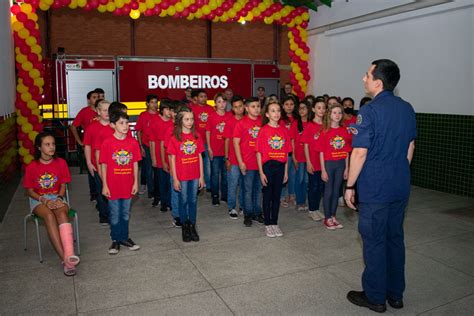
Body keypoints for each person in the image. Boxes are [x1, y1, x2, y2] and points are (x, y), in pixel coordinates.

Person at [345, 59, 416, 313]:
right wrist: (397, 173)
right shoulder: (407, 108)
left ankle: (375, 296)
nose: (363, 78)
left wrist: (350, 185)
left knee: (374, 241)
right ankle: (395, 294)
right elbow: (410, 148)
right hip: (399, 184)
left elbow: (359, 153)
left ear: (377, 82)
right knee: (394, 238)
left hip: (375, 188)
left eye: (367, 74)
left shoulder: (370, 111)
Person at [24, 132, 79, 276]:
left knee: (61, 212)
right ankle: (66, 260)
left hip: (57, 196)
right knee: (48, 216)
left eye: (53, 144)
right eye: (47, 144)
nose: (51, 147)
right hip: (38, 199)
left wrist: (59, 198)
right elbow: (30, 191)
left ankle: (69, 252)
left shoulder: (61, 163)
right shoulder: (31, 167)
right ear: (39, 148)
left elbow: (62, 185)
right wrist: (45, 200)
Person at [100, 110, 142, 255]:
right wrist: (104, 184)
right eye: (121, 123)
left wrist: (136, 182)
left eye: (126, 123)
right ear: (112, 125)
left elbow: (135, 164)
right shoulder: (107, 143)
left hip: (128, 185)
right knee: (115, 213)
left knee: (125, 213)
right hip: (112, 185)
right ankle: (115, 239)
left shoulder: (132, 142)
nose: (125, 126)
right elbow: (104, 165)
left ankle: (124, 237)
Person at [168, 106, 205, 242]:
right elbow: (172, 159)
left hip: (194, 175)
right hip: (181, 176)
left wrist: (201, 176)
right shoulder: (175, 138)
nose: (190, 122)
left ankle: (192, 225)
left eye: (191, 119)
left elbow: (200, 156)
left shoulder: (196, 136)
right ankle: (185, 225)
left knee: (193, 201)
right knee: (183, 201)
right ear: (180, 121)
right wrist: (175, 178)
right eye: (187, 119)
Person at [256, 102, 290, 238]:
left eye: (278, 111)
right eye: (273, 111)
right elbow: (258, 152)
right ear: (267, 114)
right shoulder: (263, 130)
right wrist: (261, 172)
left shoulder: (284, 130)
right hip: (268, 167)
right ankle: (268, 224)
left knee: (276, 196)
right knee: (268, 195)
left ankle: (275, 222)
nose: (276, 113)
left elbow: (287, 153)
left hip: (280, 167)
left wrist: (286, 171)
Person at [317, 103, 352, 230]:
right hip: (329, 164)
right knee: (329, 190)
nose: (337, 115)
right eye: (334, 112)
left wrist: (347, 168)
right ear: (329, 114)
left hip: (341, 164)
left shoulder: (344, 130)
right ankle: (327, 217)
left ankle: (333, 216)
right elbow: (321, 152)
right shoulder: (324, 131)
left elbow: (347, 151)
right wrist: (323, 170)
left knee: (337, 191)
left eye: (340, 113)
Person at [233, 97, 264, 227]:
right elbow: (235, 143)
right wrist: (241, 162)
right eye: (253, 106)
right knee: (247, 190)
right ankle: (248, 214)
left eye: (258, 106)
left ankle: (257, 212)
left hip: (261, 163)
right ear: (246, 108)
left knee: (258, 189)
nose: (256, 109)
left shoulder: (263, 122)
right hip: (248, 162)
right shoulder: (241, 123)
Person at [83, 99, 111, 225]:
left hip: (113, 166)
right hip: (97, 165)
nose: (107, 113)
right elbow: (87, 145)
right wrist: (89, 163)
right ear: (98, 112)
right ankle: (103, 215)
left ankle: (112, 213)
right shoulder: (92, 127)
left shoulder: (114, 126)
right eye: (104, 110)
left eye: (109, 110)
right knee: (101, 191)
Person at [70, 90, 99, 202]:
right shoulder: (84, 112)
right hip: (90, 146)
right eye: (94, 97)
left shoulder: (103, 111)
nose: (96, 99)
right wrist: (80, 141)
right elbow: (73, 126)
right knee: (92, 169)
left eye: (98, 97)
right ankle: (94, 193)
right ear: (89, 100)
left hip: (102, 146)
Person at [302, 98, 326, 221]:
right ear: (313, 109)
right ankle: (312, 210)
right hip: (313, 161)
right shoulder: (310, 126)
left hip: (323, 163)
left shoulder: (326, 126)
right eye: (318, 107)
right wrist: (308, 162)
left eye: (323, 107)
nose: (321, 110)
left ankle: (316, 208)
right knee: (313, 186)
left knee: (321, 186)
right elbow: (306, 145)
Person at [206, 93, 232, 206]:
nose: (222, 104)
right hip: (215, 151)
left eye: (224, 101)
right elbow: (208, 132)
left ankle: (224, 195)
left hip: (226, 151)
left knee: (226, 175)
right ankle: (215, 195)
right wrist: (209, 148)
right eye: (219, 101)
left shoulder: (230, 116)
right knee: (215, 175)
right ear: (215, 103)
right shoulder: (211, 116)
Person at [149, 99, 174, 211]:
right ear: (162, 110)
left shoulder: (173, 123)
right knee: (162, 181)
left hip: (171, 157)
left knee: (171, 181)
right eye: (167, 109)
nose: (169, 112)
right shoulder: (156, 122)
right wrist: (154, 158)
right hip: (160, 157)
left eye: (171, 109)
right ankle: (163, 202)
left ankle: (170, 201)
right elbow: (152, 141)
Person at [224, 95, 245, 219]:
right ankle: (231, 207)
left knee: (244, 185)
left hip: (246, 159)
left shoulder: (248, 120)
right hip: (233, 159)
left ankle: (242, 206)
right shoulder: (230, 122)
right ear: (232, 108)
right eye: (236, 107)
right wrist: (227, 159)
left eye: (240, 106)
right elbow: (227, 140)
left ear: (244, 106)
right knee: (232, 184)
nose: (239, 109)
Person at [135, 94, 159, 198]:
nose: (154, 104)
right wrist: (141, 147)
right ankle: (151, 191)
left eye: (156, 102)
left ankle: (158, 189)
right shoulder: (143, 115)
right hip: (146, 145)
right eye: (152, 102)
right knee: (148, 169)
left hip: (158, 146)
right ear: (147, 103)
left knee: (157, 169)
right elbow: (139, 132)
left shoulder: (159, 115)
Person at [190, 89, 213, 190]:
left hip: (208, 141)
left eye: (205, 96)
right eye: (201, 96)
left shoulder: (211, 109)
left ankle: (208, 184)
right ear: (196, 98)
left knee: (207, 164)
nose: (203, 98)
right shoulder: (191, 108)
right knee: (195, 164)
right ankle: (196, 183)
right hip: (196, 141)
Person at [290, 100, 311, 211]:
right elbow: (292, 141)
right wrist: (293, 157)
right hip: (299, 157)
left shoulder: (311, 123)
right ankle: (299, 202)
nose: (301, 110)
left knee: (307, 180)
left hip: (310, 158)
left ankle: (304, 201)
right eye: (300, 108)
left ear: (309, 109)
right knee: (300, 179)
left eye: (304, 108)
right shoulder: (295, 123)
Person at [279, 95, 298, 208]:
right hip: (283, 151)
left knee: (292, 175)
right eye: (286, 104)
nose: (289, 107)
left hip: (294, 151)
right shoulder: (280, 119)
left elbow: (295, 138)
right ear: (283, 106)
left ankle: (291, 194)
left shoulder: (296, 119)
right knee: (283, 175)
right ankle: (281, 196)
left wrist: (295, 154)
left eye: (291, 104)